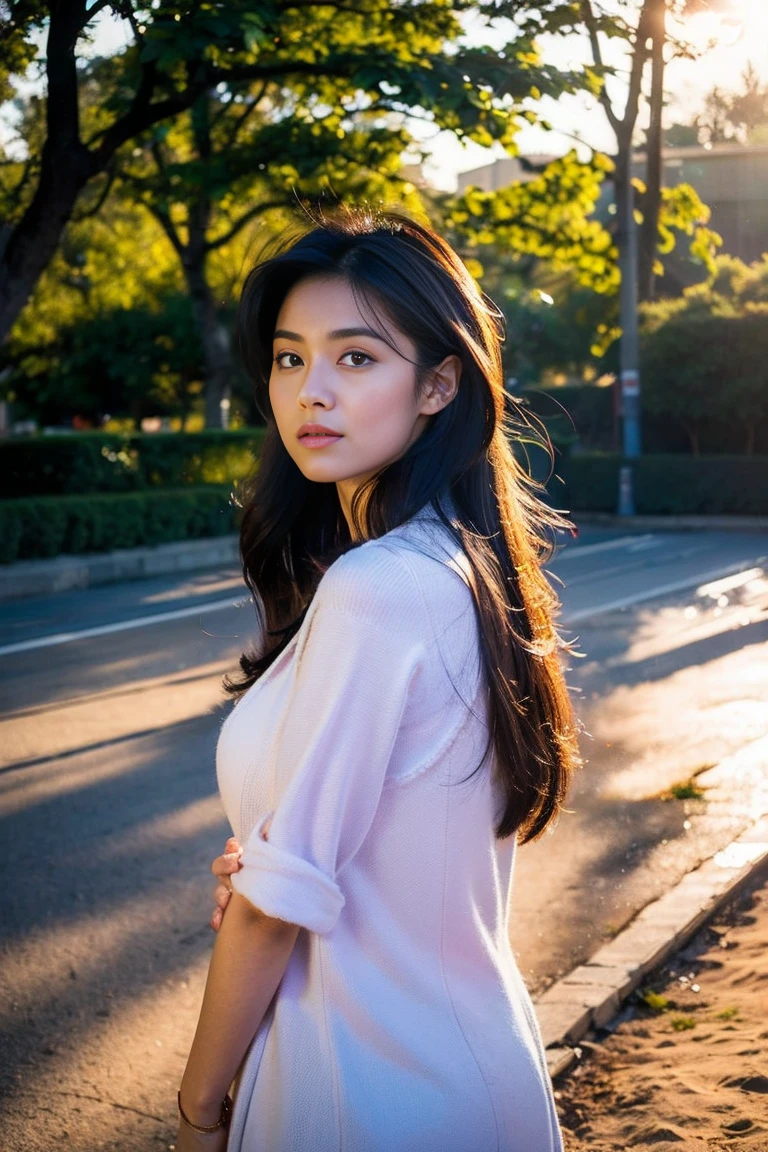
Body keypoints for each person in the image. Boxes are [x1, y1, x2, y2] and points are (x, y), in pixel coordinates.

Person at [175, 206, 583, 1151]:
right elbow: (334, 857)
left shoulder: (379, 586)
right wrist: (267, 858)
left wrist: (198, 1112)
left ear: (441, 383)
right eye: (289, 357)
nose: (311, 391)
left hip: (374, 1089)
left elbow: (280, 904)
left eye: (356, 358)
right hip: (444, 1064)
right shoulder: (450, 567)